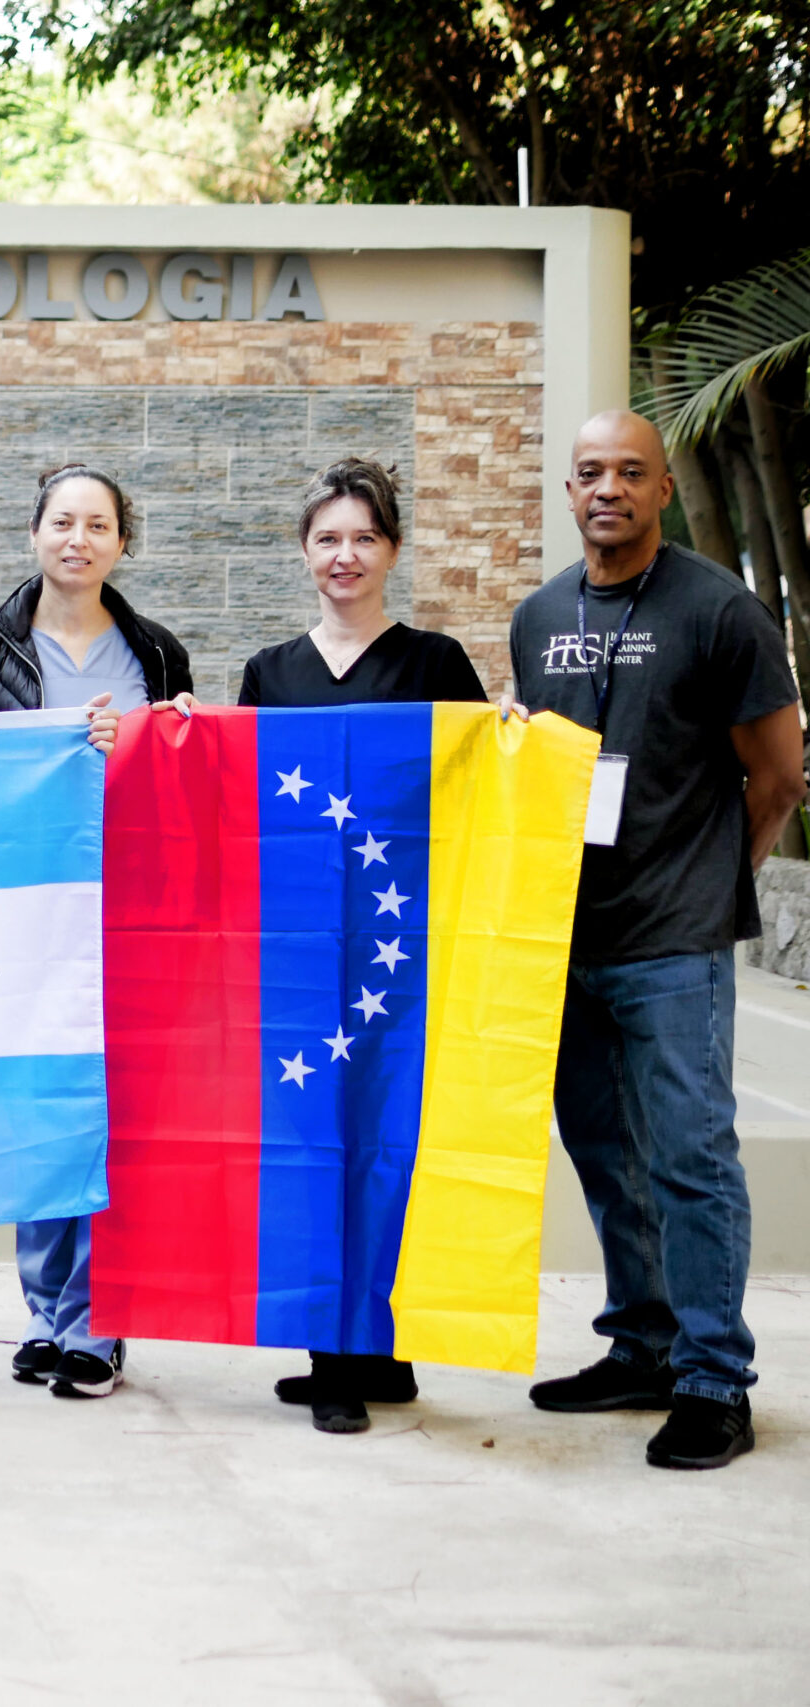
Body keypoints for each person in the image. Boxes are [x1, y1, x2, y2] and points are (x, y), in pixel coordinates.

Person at [505, 409, 802, 1471]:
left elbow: (776, 777)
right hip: (563, 940)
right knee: (605, 1156)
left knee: (689, 1155)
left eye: (630, 471)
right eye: (589, 472)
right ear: (569, 488)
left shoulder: (720, 612)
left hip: (673, 939)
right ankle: (642, 1344)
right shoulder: (538, 618)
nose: (608, 489)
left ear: (662, 489)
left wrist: (715, 877)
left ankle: (714, 1379)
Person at [239, 457, 486, 1435]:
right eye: (327, 538)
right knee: (313, 1140)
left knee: (389, 1138)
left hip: (398, 946)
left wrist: (512, 739)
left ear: (392, 549)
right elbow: (239, 796)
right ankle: (330, 1352)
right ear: (304, 552)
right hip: (301, 947)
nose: (345, 556)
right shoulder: (270, 672)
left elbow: (482, 784)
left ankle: (374, 1352)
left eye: (363, 538)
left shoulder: (434, 662)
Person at [0, 463, 193, 1401]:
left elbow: (180, 770)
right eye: (62, 521)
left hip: (128, 906)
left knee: (113, 1113)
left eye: (98, 524)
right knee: (37, 1107)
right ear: (35, 533)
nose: (78, 539)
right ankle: (46, 1313)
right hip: (24, 909)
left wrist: (149, 741)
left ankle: (103, 1320)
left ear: (121, 542)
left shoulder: (158, 653)